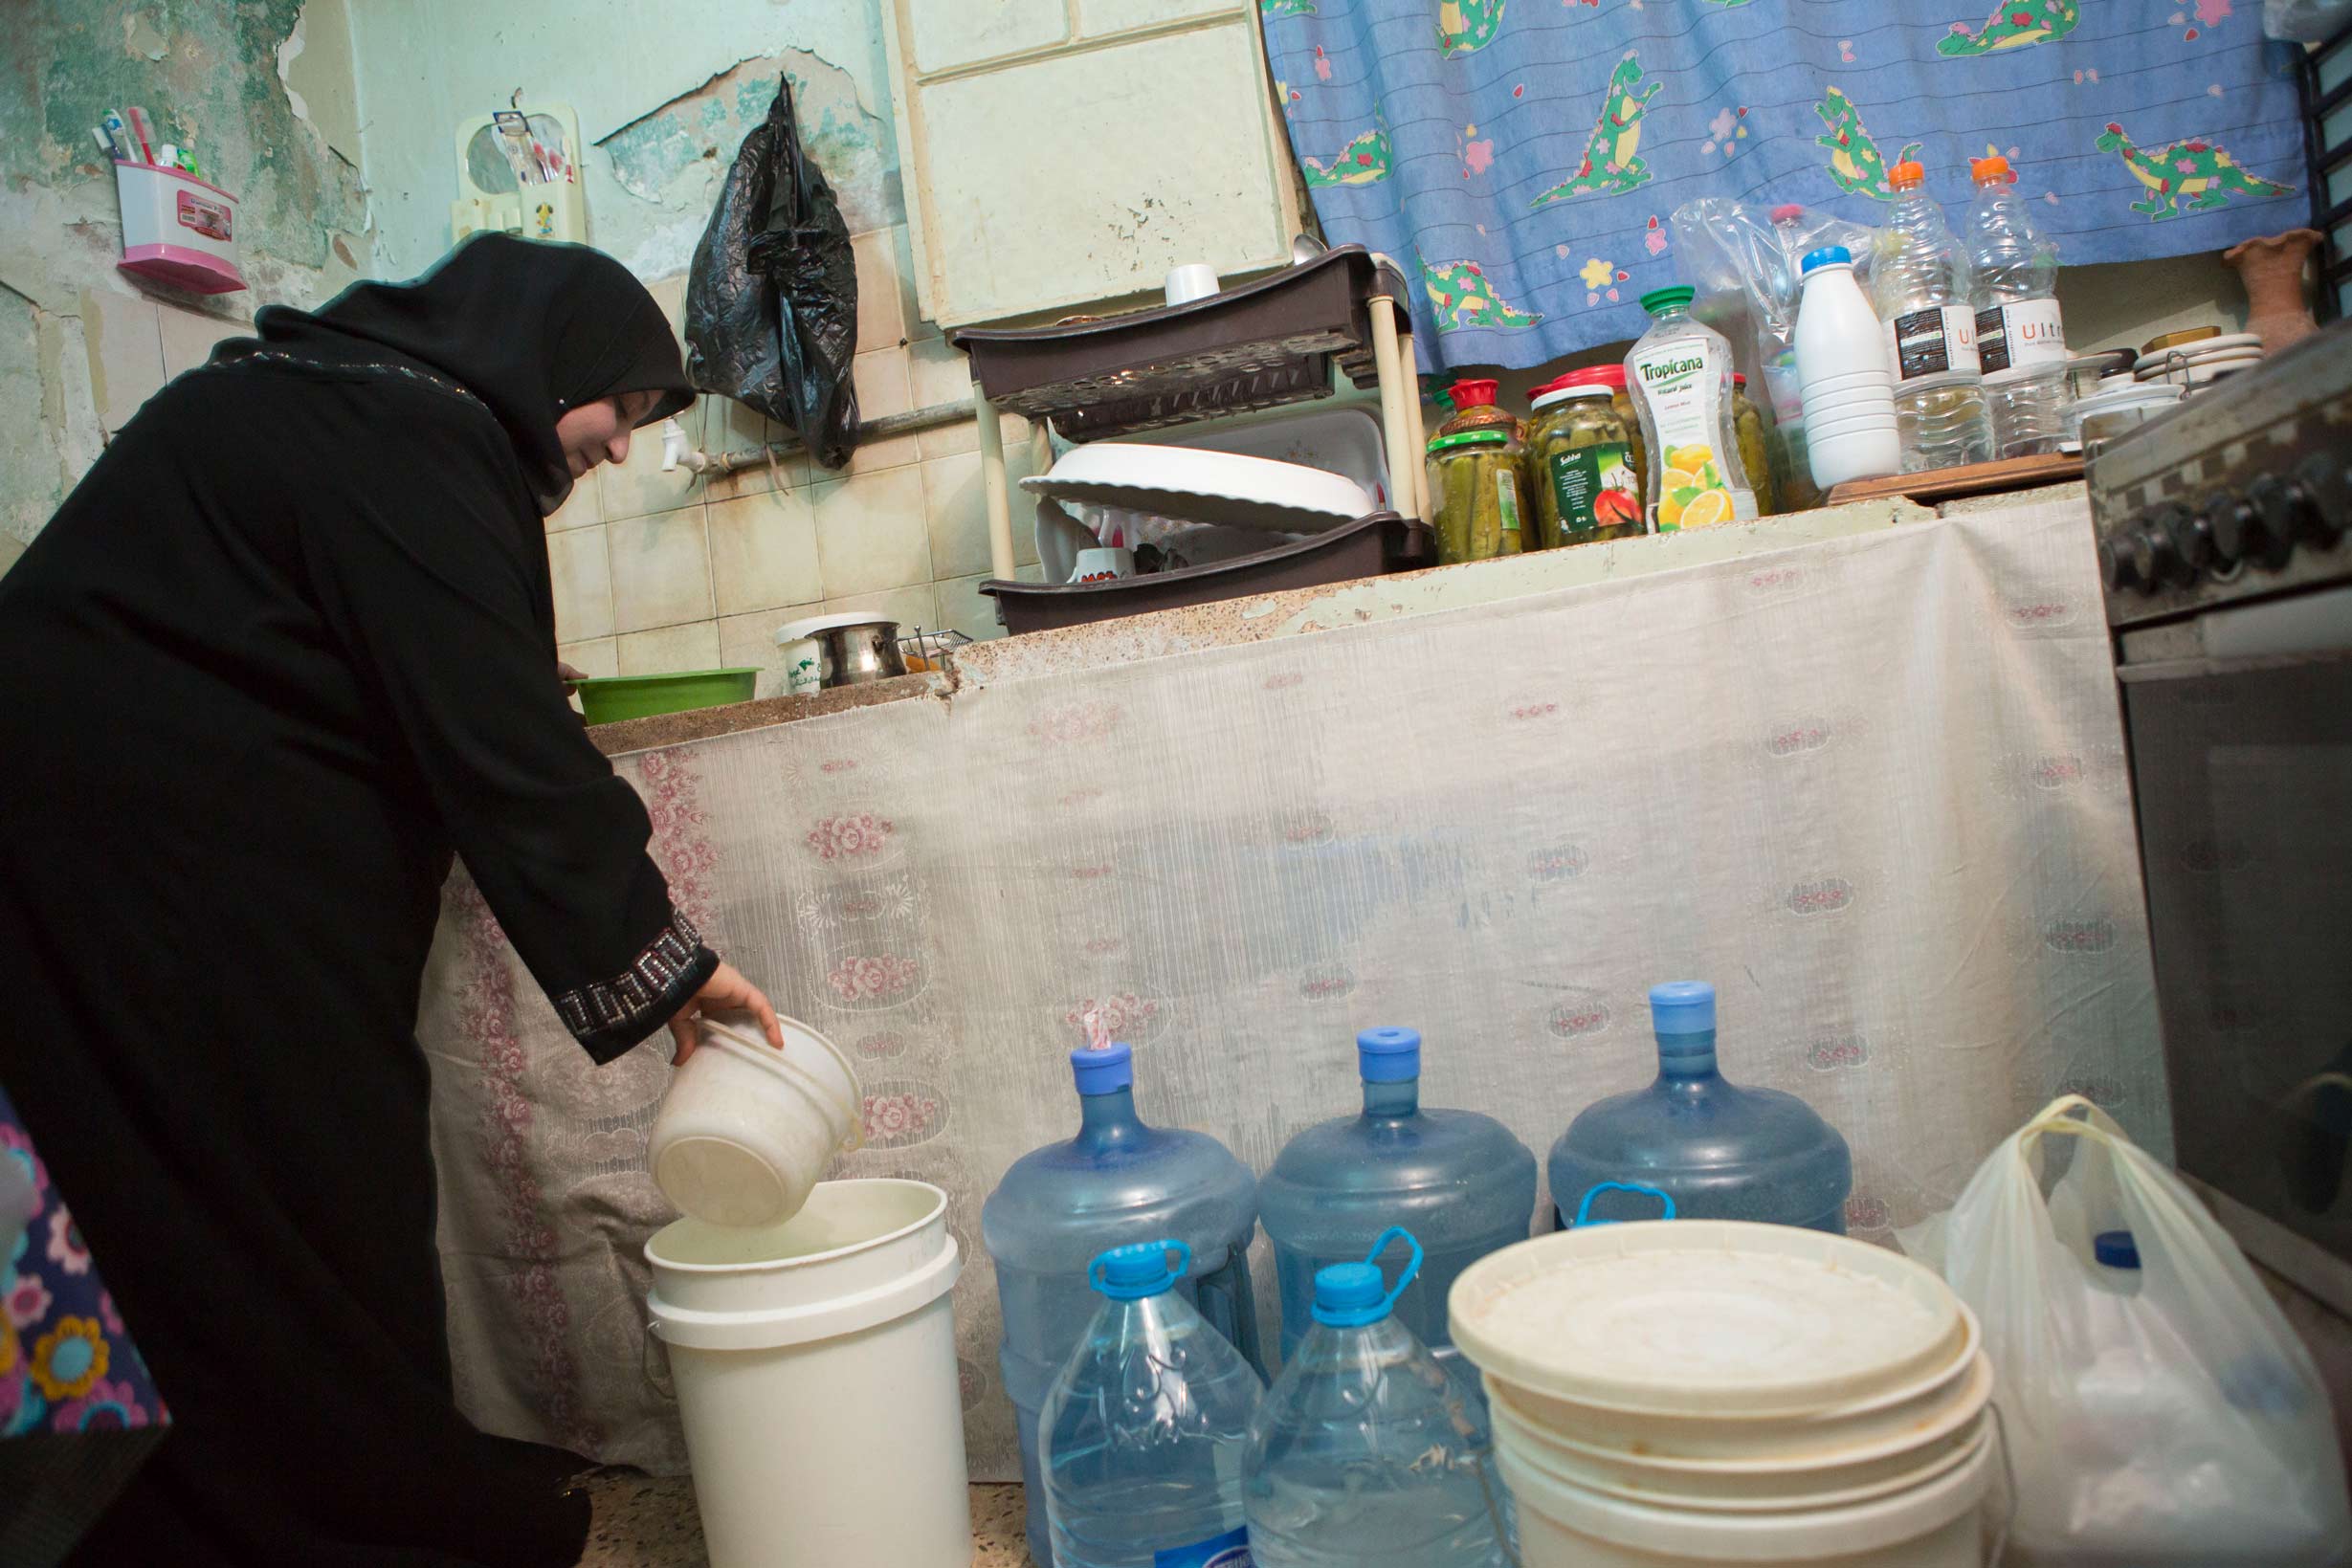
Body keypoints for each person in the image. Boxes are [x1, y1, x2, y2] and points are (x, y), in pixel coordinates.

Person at [0, 233, 784, 1565]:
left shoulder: (329, 395)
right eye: (626, 410)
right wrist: (670, 965)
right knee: (299, 1167)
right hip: (141, 860)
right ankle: (343, 1515)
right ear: (556, 359)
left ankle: (253, 1500)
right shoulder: (404, 433)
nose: (618, 453)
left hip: (108, 854)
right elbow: (505, 739)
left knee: (182, 1181)